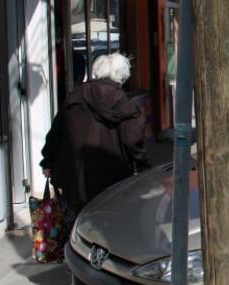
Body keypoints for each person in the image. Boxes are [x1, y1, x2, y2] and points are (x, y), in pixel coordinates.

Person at [41, 53, 150, 221]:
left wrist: (47, 161)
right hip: (112, 177)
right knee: (110, 226)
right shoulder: (124, 103)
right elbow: (133, 140)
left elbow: (56, 132)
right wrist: (144, 167)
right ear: (122, 76)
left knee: (76, 225)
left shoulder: (75, 95)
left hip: (74, 179)